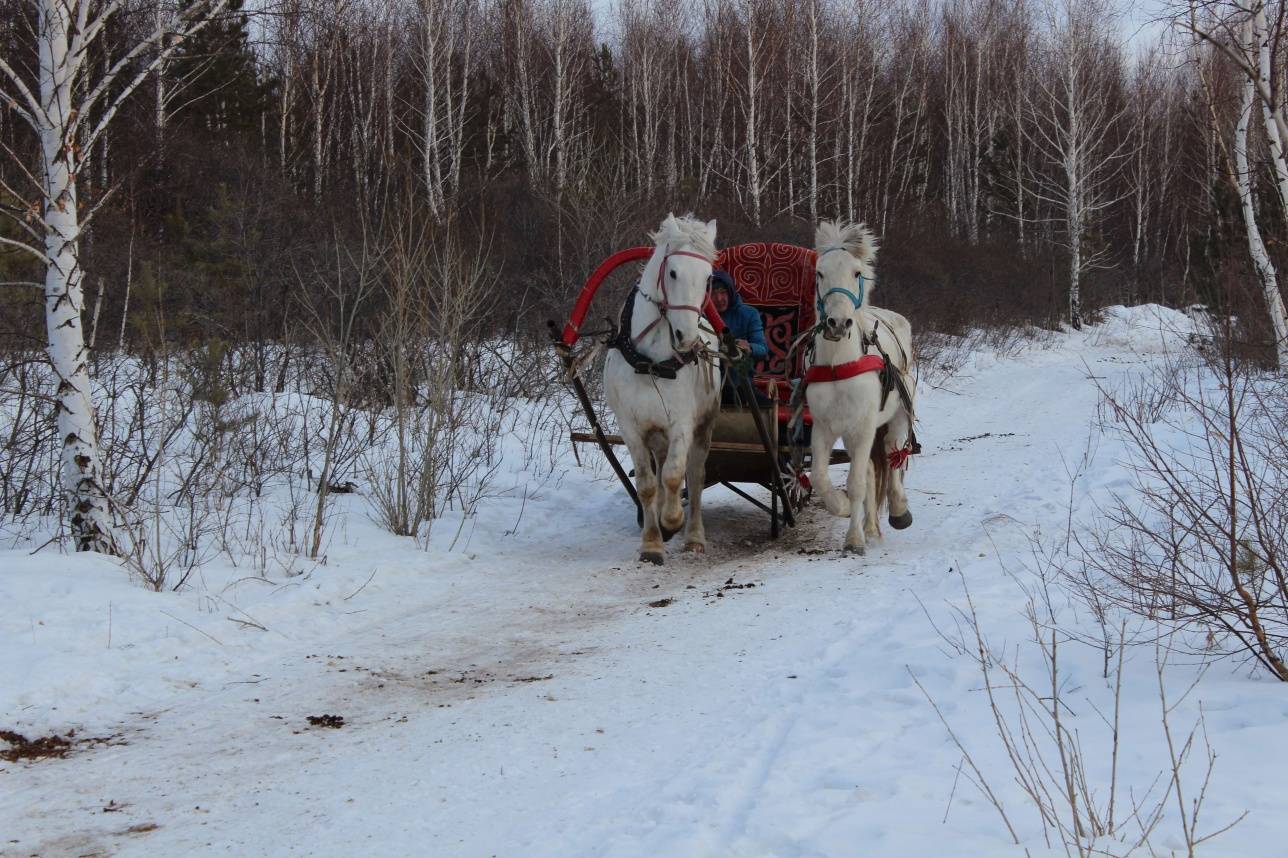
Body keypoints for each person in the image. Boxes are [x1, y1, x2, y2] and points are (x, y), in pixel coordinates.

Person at [711, 270, 769, 406]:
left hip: (741, 385)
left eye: (723, 292)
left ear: (730, 291)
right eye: (713, 294)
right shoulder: (700, 317)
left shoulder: (749, 314)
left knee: (769, 409)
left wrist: (748, 347)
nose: (719, 298)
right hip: (707, 388)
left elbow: (763, 349)